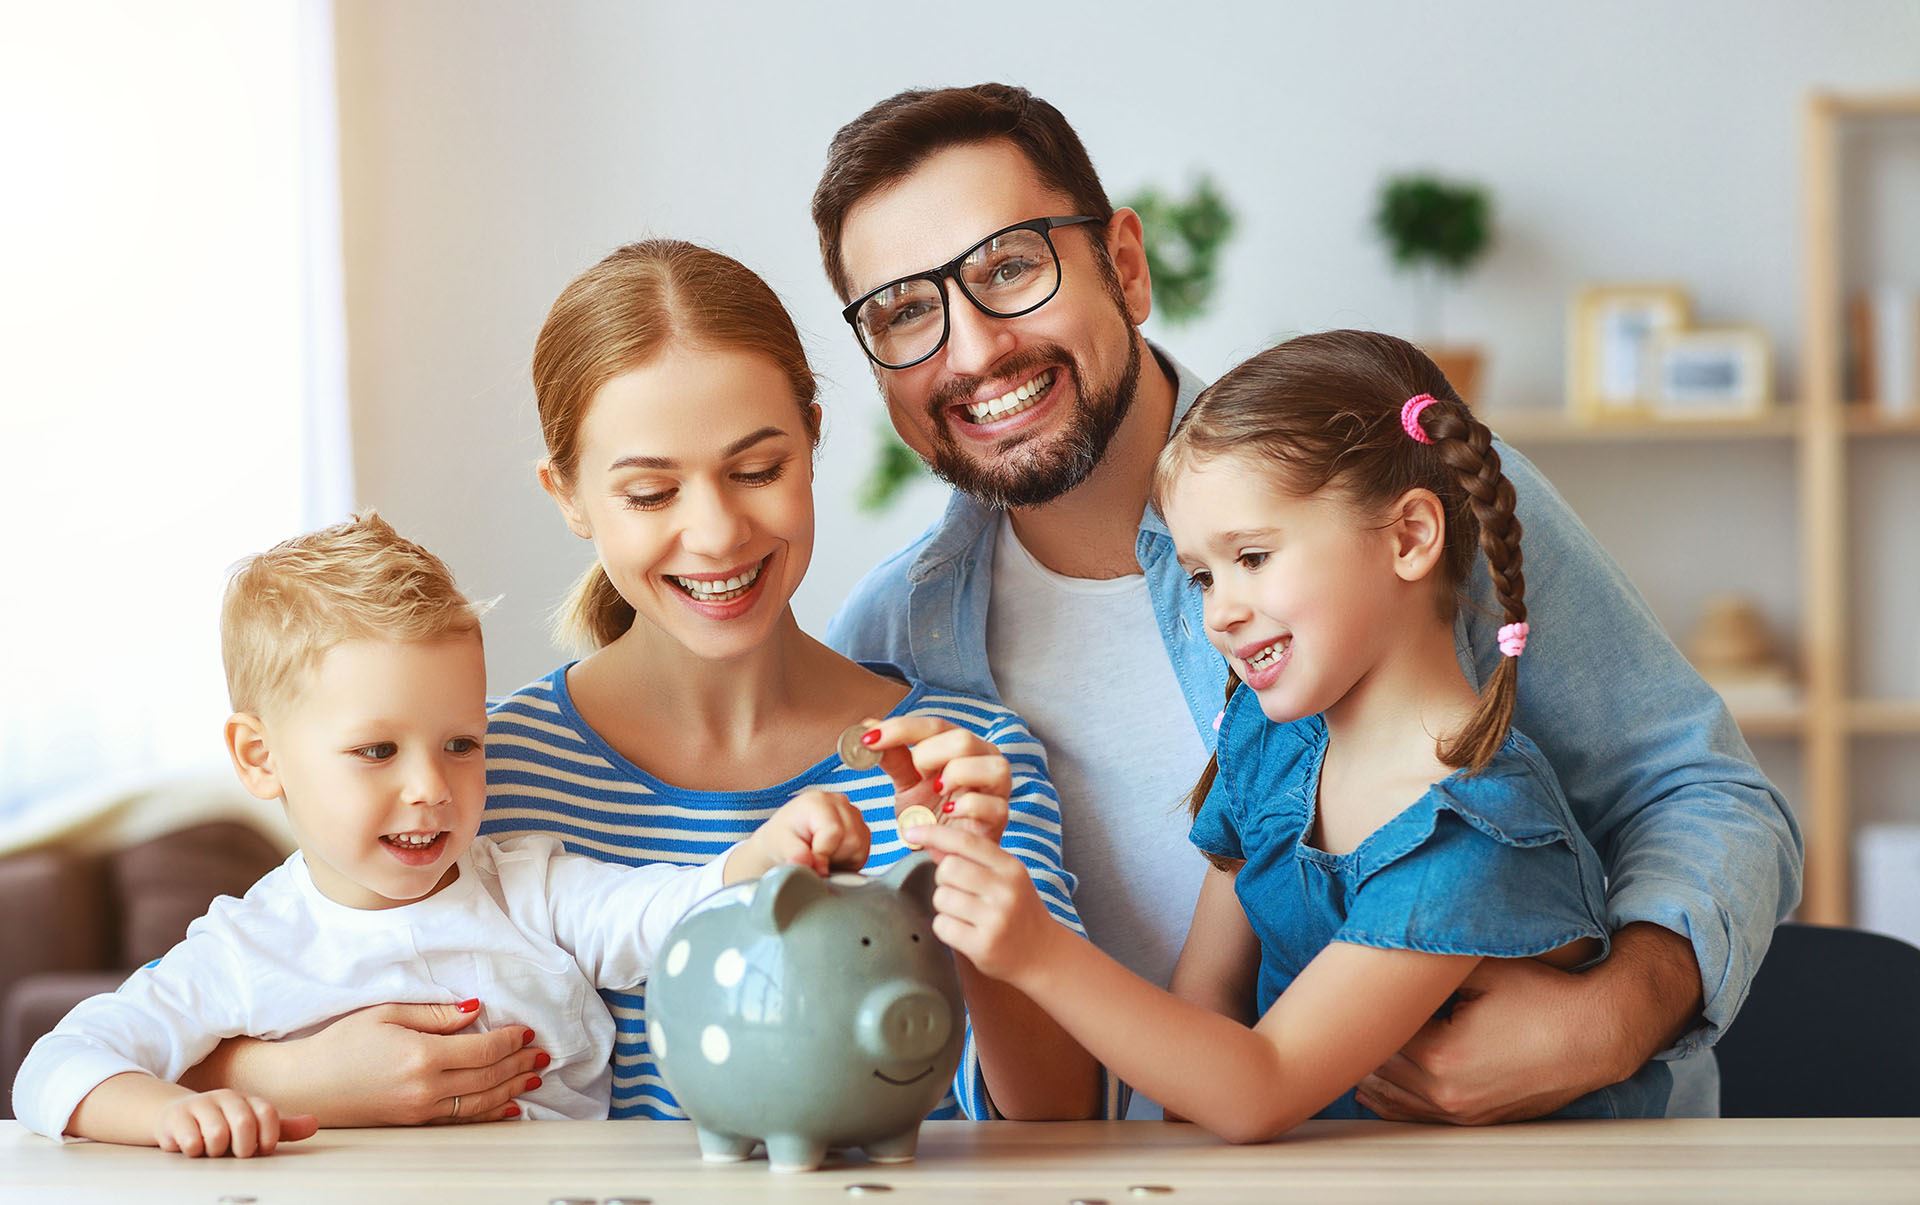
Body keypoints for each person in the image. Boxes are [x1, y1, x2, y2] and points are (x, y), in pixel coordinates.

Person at [814, 83, 1802, 1120]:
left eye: (1011, 266)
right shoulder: (890, 643)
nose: (972, 351)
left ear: (1127, 265)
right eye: (906, 311)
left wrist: (1613, 1017)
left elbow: (1703, 790)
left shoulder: (1400, 489)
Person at [176, 241, 1099, 1126]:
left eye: (757, 469)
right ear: (568, 494)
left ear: (814, 439)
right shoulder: (469, 775)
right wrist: (297, 1077)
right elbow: (239, 990)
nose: (716, 532)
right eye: (652, 493)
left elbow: (1061, 1113)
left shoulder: (966, 760)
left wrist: (976, 875)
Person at [908, 330, 1673, 1140]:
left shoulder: (1478, 829)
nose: (1219, 610)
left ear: (1409, 537)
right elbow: (1203, 1014)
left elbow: (1259, 1085)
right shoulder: (1270, 740)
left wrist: (1035, 951)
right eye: (1204, 574)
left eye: (1255, 556)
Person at [11, 512, 872, 1155]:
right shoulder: (245, 945)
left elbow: (663, 914)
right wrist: (169, 1110)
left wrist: (762, 855)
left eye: (462, 742)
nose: (431, 788)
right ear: (260, 755)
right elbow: (53, 1067)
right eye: (376, 750)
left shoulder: (524, 885)